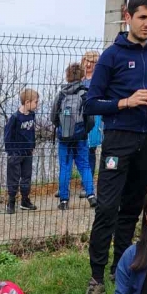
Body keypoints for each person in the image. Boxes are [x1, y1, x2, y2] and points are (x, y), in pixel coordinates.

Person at [82, 0, 147, 294]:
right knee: (107, 208)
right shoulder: (112, 56)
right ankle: (96, 278)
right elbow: (92, 103)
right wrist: (126, 102)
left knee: (133, 208)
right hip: (119, 140)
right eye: (142, 17)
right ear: (128, 17)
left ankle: (122, 270)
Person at [51, 62, 96, 210]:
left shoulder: (61, 94)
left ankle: (64, 200)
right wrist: (85, 131)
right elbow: (90, 119)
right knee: (84, 166)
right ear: (82, 76)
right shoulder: (84, 94)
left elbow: (53, 116)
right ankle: (91, 195)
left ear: (67, 76)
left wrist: (61, 128)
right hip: (81, 136)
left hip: (64, 137)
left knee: (65, 167)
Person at [3, 88, 39, 214]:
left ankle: (25, 200)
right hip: (15, 154)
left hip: (28, 152)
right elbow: (7, 135)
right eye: (35, 102)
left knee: (26, 177)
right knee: (13, 178)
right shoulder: (15, 118)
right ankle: (11, 201)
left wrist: (32, 145)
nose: (37, 105)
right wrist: (11, 152)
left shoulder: (32, 115)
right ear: (27, 102)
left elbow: (32, 132)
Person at [80, 50, 103, 197]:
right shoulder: (78, 78)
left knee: (90, 150)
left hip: (94, 117)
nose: (88, 65)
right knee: (76, 149)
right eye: (87, 61)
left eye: (92, 62)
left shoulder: (99, 79)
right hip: (78, 117)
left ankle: (86, 185)